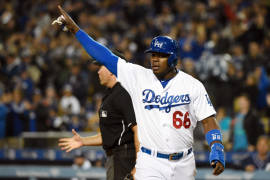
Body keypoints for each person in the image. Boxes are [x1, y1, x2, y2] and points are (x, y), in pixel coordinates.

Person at [54, 5, 225, 179]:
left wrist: (216, 146)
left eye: (161, 55)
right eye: (153, 55)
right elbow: (104, 56)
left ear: (173, 58)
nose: (155, 60)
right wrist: (75, 30)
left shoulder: (192, 85)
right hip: (150, 162)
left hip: (184, 163)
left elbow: (208, 120)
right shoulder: (138, 77)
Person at [59, 63, 139, 180]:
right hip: (115, 157)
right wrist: (83, 141)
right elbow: (109, 135)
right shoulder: (111, 94)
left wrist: (138, 165)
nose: (98, 72)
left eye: (101, 67)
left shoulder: (123, 94)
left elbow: (137, 130)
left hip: (124, 157)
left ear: (111, 70)